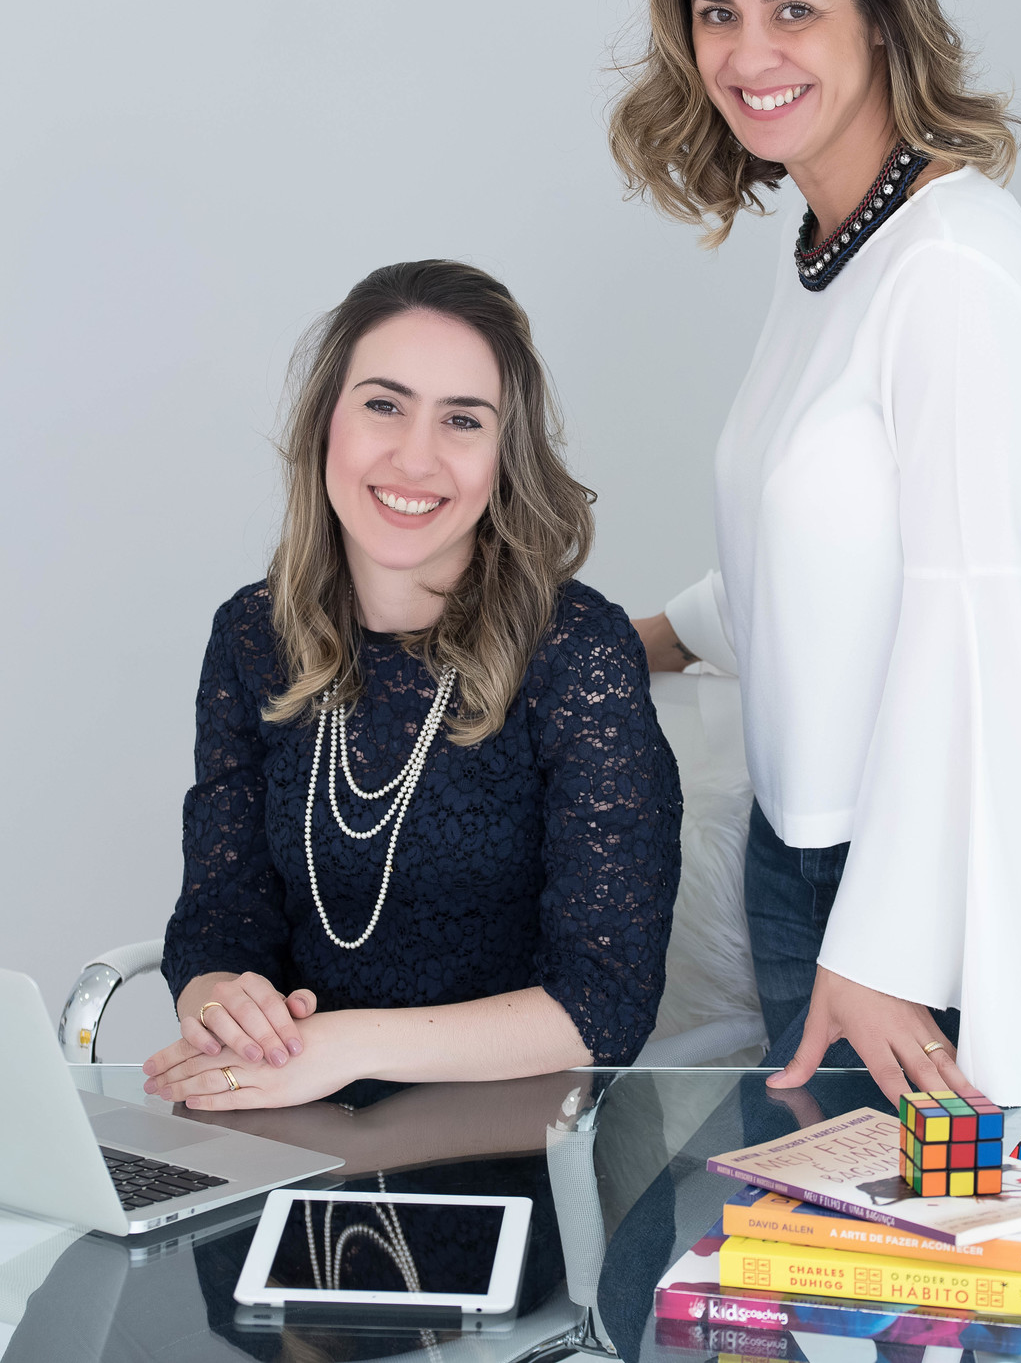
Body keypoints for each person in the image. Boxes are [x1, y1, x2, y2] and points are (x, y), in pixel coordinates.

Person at [610, 0, 1021, 1169]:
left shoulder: (949, 273)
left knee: (953, 1280)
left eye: (794, 9)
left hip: (956, 884)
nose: (748, 54)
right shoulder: (834, 240)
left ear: (881, 14)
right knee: (832, 1271)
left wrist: (881, 950)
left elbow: (968, 625)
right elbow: (833, 547)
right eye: (716, 13)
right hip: (815, 863)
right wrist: (643, 639)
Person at [143, 260, 681, 1111]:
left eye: (462, 420)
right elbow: (222, 912)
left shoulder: (577, 651)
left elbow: (604, 1001)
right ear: (327, 422)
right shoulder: (252, 635)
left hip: (509, 1135)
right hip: (287, 1113)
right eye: (384, 405)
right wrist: (220, 1002)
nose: (416, 456)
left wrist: (344, 1047)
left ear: (503, 457)